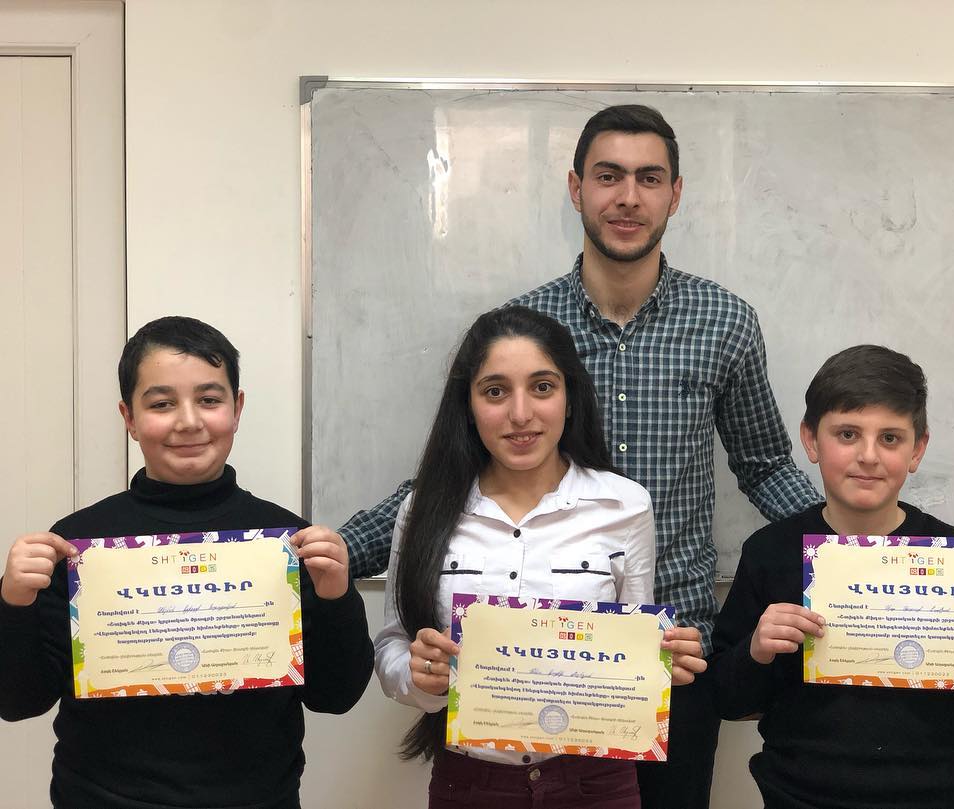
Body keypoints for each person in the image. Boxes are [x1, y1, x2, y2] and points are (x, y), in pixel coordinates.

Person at [298, 103, 819, 807]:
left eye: (648, 178)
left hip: (674, 658)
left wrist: (852, 557)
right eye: (608, 176)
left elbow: (765, 467)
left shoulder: (725, 321)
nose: (627, 197)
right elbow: (450, 478)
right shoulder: (529, 332)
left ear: (675, 193)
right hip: (525, 671)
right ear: (576, 188)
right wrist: (330, 553)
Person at [0, 316, 374, 809]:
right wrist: (13, 602)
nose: (189, 421)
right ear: (129, 418)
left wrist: (335, 597)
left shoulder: (287, 542)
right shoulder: (76, 546)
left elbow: (336, 696)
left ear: (237, 409)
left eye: (209, 399)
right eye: (161, 404)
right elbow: (17, 702)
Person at [709, 344, 954, 808]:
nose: (868, 456)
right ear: (811, 440)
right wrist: (756, 651)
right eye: (847, 434)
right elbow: (727, 699)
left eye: (891, 439)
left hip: (930, 798)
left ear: (917, 449)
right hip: (795, 796)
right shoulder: (770, 552)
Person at [373, 306, 706, 809]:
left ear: (570, 399)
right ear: (468, 405)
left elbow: (636, 640)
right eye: (495, 391)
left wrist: (660, 662)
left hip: (596, 783)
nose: (521, 413)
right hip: (470, 783)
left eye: (543, 387)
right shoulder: (422, 509)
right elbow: (392, 646)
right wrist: (420, 679)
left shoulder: (624, 504)